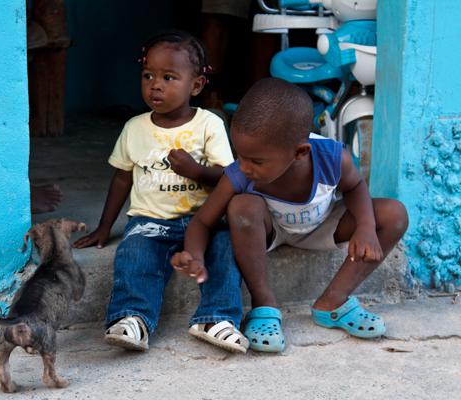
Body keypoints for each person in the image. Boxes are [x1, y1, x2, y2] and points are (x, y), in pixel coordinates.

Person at [171, 78, 409, 353]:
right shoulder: (240, 172)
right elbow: (202, 221)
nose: (244, 167)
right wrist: (195, 256)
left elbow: (355, 186)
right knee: (241, 206)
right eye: (240, 155)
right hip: (270, 231)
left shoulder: (332, 158)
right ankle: (264, 305)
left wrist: (366, 227)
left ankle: (333, 302)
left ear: (299, 152)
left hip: (323, 224)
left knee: (394, 214)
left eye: (256, 161)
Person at [73, 31, 249, 353]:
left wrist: (197, 171)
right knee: (135, 253)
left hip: (205, 220)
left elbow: (230, 177)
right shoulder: (134, 128)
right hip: (151, 219)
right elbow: (122, 179)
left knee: (226, 248)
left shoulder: (209, 124)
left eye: (169, 77)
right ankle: (132, 318)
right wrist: (104, 227)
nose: (155, 85)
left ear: (195, 85)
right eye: (148, 75)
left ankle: (217, 318)